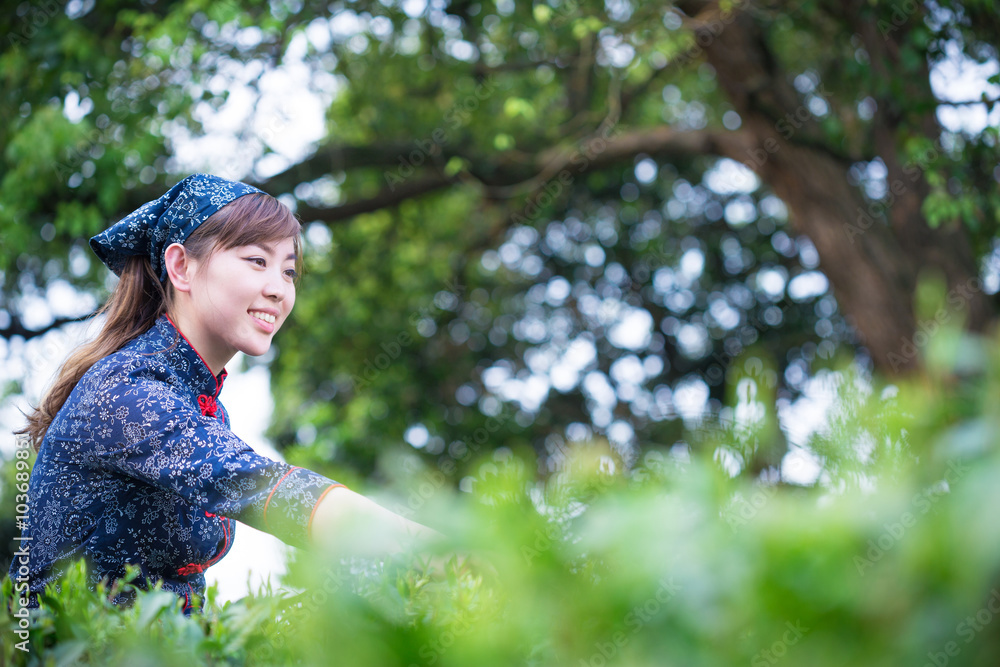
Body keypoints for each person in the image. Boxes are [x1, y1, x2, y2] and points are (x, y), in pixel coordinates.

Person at [7, 174, 443, 616]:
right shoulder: (126, 392)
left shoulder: (205, 405)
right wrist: (446, 553)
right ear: (182, 267)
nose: (279, 288)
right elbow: (262, 488)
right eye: (257, 260)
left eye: (288, 270)